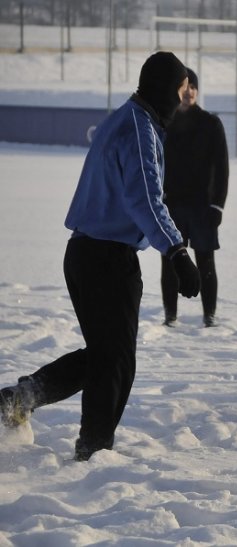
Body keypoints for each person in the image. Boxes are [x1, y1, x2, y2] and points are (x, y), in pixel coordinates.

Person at [0, 52, 201, 461]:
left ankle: (21, 398)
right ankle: (93, 449)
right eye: (181, 92)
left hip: (90, 254)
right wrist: (178, 251)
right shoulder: (138, 130)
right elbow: (146, 200)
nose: (183, 102)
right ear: (165, 89)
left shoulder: (128, 118)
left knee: (107, 355)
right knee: (115, 362)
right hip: (104, 259)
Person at [161, 67, 229, 328]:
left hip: (203, 208)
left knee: (205, 260)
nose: (189, 91)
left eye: (193, 87)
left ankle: (209, 315)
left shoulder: (211, 124)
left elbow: (222, 168)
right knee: (170, 262)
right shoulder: (164, 123)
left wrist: (217, 205)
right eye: (184, 86)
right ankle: (170, 316)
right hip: (171, 206)